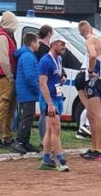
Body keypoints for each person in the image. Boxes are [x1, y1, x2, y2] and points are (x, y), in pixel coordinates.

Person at [74, 20, 101, 161]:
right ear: (91, 28)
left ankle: (100, 150)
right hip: (98, 81)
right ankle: (94, 148)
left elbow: (92, 55)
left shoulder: (90, 40)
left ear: (81, 34)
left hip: (95, 81)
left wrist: (91, 70)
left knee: (96, 116)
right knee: (92, 116)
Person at [38, 37, 69, 171]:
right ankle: (60, 159)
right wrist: (49, 104)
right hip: (50, 99)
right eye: (62, 44)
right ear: (53, 44)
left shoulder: (59, 59)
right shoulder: (45, 61)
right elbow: (42, 83)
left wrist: (62, 78)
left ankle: (46, 158)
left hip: (57, 96)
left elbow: (55, 76)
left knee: (50, 129)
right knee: (56, 128)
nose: (64, 47)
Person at [0, 11, 18, 148]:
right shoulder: (2, 36)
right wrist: (10, 76)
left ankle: (7, 136)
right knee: (3, 106)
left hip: (5, 75)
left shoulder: (4, 35)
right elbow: (3, 59)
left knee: (10, 108)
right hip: (5, 76)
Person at [13, 32, 42, 154]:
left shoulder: (28, 56)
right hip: (27, 92)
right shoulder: (27, 57)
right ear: (32, 43)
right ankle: (19, 141)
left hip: (27, 91)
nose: (39, 45)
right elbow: (30, 77)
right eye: (37, 42)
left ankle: (25, 142)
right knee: (27, 117)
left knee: (29, 117)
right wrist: (37, 90)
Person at [34, 24, 54, 147]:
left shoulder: (44, 48)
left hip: (48, 82)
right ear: (48, 33)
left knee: (46, 112)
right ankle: (43, 140)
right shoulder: (42, 49)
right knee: (43, 112)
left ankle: (46, 138)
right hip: (44, 82)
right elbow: (46, 66)